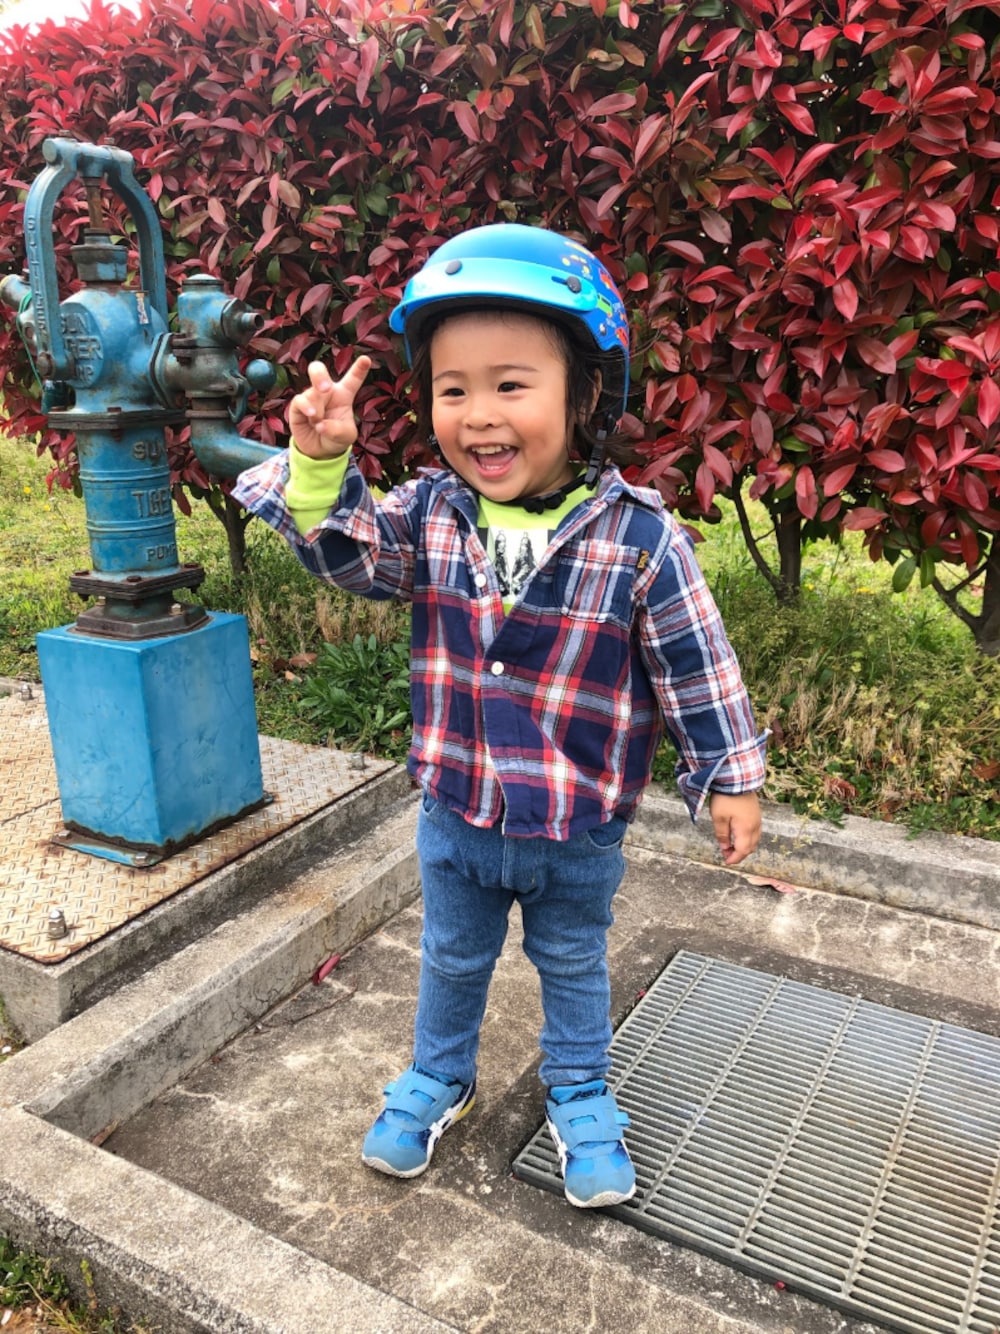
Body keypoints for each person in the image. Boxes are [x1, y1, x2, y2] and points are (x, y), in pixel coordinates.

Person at [232, 223, 767, 1209]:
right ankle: (439, 1073)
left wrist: (729, 774)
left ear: (587, 393)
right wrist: (314, 464)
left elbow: (695, 661)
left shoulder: (639, 538)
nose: (479, 414)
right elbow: (348, 556)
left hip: (576, 823)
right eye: (453, 389)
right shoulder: (430, 515)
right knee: (451, 953)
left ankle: (580, 1087)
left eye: (511, 384)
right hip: (458, 811)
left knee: (572, 958)